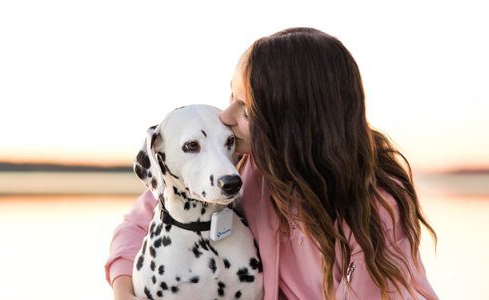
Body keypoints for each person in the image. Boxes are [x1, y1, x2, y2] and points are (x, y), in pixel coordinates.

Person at [105, 27, 438, 300]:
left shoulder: (375, 208)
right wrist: (125, 290)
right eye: (230, 96)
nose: (226, 116)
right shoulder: (238, 166)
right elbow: (139, 223)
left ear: (292, 124)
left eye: (245, 109)